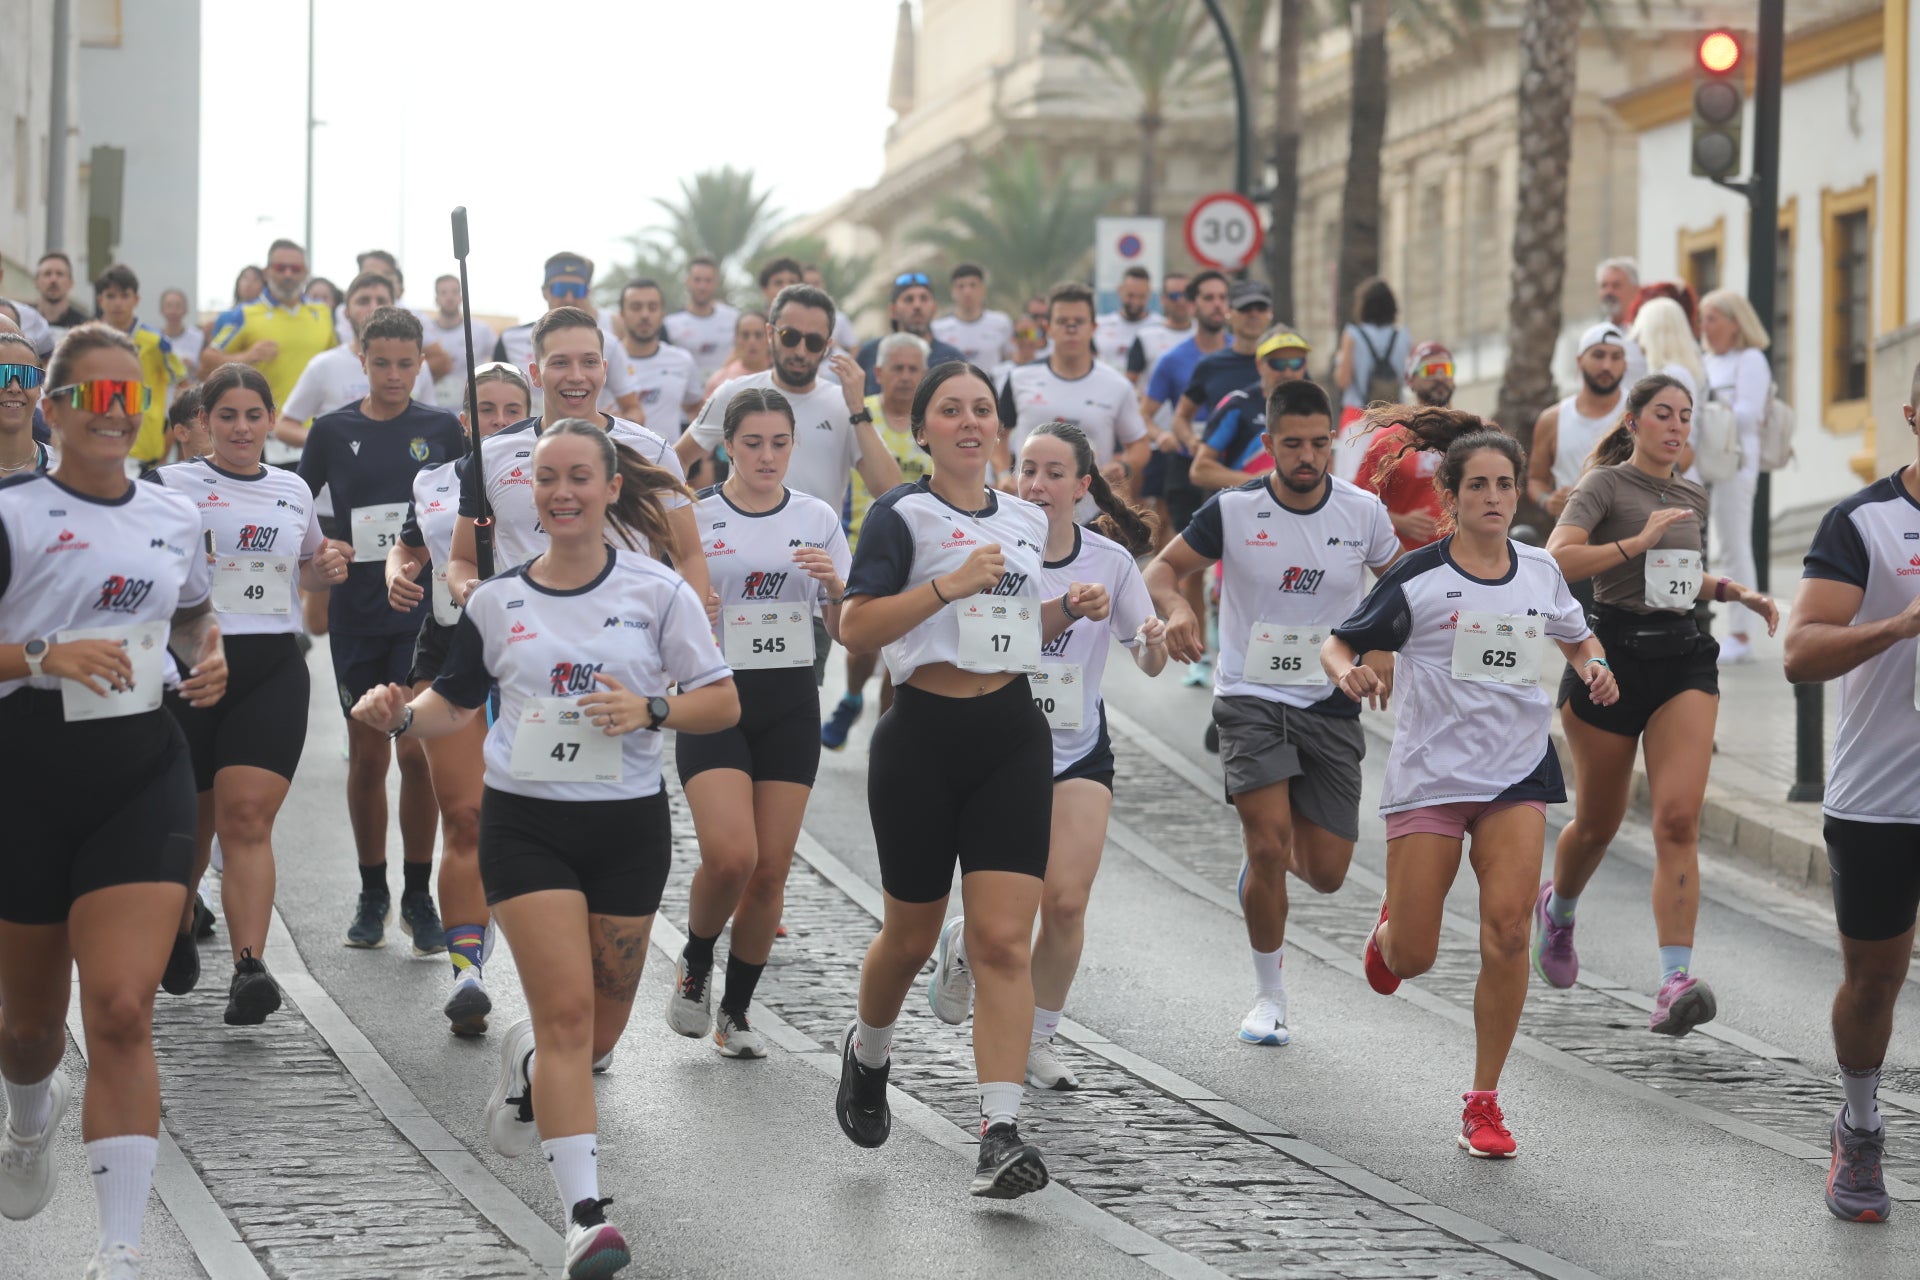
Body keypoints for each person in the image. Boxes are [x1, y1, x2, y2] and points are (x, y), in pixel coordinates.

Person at [351, 420, 738, 1278]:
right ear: (526, 492)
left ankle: (525, 1059)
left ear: (606, 490)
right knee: (567, 1017)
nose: (560, 492)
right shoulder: (495, 602)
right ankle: (584, 1216)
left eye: (577, 478)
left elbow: (721, 702)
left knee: (598, 1026)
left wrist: (653, 711)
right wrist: (400, 719)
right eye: (545, 479)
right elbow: (453, 703)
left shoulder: (658, 591)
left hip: (627, 828)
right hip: (526, 826)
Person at [832, 361, 1110, 1199]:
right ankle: (867, 1051)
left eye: (981, 410)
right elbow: (856, 625)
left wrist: (1069, 610)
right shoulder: (900, 512)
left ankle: (999, 1131)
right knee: (912, 939)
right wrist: (946, 584)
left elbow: (1012, 625)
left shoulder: (1026, 515)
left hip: (1011, 736)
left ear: (998, 427)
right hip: (921, 736)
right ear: (922, 432)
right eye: (949, 411)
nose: (968, 422)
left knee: (997, 941)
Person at [1321, 406, 1618, 1158]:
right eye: (1478, 485)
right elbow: (1341, 640)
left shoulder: (1542, 570)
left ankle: (1483, 1102)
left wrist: (1593, 665)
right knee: (1414, 958)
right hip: (1431, 776)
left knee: (1510, 929)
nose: (1493, 496)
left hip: (1516, 773)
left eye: (1505, 484)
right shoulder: (1419, 576)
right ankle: (1391, 931)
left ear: (1519, 495)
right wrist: (1349, 671)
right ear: (1451, 498)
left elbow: (1575, 631)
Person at [0, 323, 226, 1279]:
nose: (114, 410)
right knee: (25, 1025)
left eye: (128, 394)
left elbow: (194, 610)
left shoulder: (172, 514)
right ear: (53, 409)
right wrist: (44, 655)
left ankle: (120, 1249)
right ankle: (27, 1117)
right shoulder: (13, 514)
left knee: (125, 1008)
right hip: (25, 774)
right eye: (92, 395)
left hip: (141, 767)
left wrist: (209, 655)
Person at [1145, 379, 1400, 1046]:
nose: (1308, 457)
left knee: (1325, 871)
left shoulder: (1363, 512)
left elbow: (1405, 592)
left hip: (1329, 699)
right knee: (1266, 843)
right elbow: (1162, 573)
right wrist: (1178, 612)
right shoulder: (1232, 510)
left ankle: (1266, 869)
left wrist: (1384, 657)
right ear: (1268, 446)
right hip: (1249, 695)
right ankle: (1270, 998)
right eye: (1293, 445)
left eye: (1320, 444)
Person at [1534, 374, 1777, 1036]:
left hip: (1683, 656)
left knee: (1676, 821)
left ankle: (1674, 981)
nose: (1675, 426)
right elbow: (1558, 560)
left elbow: (1675, 578)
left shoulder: (1691, 493)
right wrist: (1634, 544)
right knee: (1598, 824)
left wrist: (1732, 590)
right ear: (1634, 422)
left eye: (1684, 417)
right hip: (1610, 657)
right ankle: (1557, 910)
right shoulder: (1605, 487)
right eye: (1663, 414)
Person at [928, 422, 1165, 1090]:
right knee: (1008, 911)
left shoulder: (1111, 563)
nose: (1038, 484)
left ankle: (1038, 1038)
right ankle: (964, 941)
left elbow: (1146, 660)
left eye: (1055, 472)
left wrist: (1154, 640)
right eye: (1029, 469)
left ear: (1083, 488)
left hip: (1077, 749)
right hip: (997, 745)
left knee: (1064, 905)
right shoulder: (989, 549)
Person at [153, 363, 347, 1023]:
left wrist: (327, 568)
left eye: (253, 415)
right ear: (203, 423)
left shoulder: (291, 488)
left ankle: (248, 968)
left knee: (246, 820)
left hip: (271, 670)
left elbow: (314, 568)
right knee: (193, 822)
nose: (241, 428)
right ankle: (178, 924)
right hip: (193, 670)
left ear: (270, 421)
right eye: (226, 416)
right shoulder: (169, 485)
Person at [667, 389, 850, 1057]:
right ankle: (694, 960)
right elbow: (661, 611)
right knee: (730, 855)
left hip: (790, 701)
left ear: (793, 446)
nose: (766, 456)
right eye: (752, 444)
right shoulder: (695, 515)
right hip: (715, 696)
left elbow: (847, 628)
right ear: (727, 447)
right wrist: (695, 610)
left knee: (770, 869)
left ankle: (735, 1013)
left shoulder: (818, 517)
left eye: (778, 443)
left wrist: (835, 586)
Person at [1783, 368, 1920, 1223]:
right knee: (1874, 982)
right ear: (1913, 415)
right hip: (1881, 797)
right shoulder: (1863, 523)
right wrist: (1902, 624)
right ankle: (1860, 1126)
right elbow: (1800, 651)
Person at [297, 307, 466, 953]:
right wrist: (324, 553)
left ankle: (418, 894)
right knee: (368, 754)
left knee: (414, 752)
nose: (394, 375)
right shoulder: (331, 431)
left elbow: (472, 507)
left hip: (423, 618)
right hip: (357, 616)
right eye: (381, 363)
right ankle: (373, 890)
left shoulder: (442, 429)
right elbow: (295, 509)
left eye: (405, 363)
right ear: (360, 361)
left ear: (421, 362)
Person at [384, 362, 531, 1036]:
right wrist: (397, 575)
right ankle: (466, 971)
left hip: (535, 652)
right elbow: (409, 546)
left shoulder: (552, 472)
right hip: (448, 647)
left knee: (533, 820)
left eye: (512, 409)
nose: (500, 422)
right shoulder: (435, 480)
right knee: (465, 814)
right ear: (466, 418)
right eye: (487, 411)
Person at [677, 285, 901, 684]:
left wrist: (857, 409)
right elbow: (676, 463)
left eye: (813, 341)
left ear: (828, 347)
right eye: (789, 336)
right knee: (720, 714)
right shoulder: (734, 394)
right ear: (770, 333)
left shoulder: (841, 404)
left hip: (806, 597)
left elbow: (890, 490)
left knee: (788, 716)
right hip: (731, 591)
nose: (800, 349)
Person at [453, 307, 707, 607]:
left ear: (604, 368)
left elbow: (688, 556)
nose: (576, 377)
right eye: (560, 363)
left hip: (625, 640)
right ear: (535, 374)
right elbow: (461, 559)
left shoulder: (652, 451)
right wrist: (471, 593)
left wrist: (685, 627)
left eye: (588, 362)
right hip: (525, 640)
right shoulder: (491, 455)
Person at [823, 332, 932, 750]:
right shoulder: (857, 414)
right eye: (897, 369)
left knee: (903, 655)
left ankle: (886, 739)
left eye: (913, 369)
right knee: (865, 642)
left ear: (924, 374)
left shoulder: (935, 420)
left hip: (923, 551)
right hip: (859, 546)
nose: (905, 378)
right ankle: (851, 699)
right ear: (880, 373)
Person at [1163, 279, 1272, 685]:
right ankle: (1203, 655)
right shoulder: (1212, 365)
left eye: (1260, 308)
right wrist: (1191, 440)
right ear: (1232, 315)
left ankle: (1243, 663)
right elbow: (1180, 414)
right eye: (1245, 309)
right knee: (1204, 574)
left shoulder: (1283, 362)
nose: (1253, 315)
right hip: (1221, 487)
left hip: (1277, 499)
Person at [993, 281, 1148, 495]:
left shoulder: (1117, 385)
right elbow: (996, 433)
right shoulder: (1020, 378)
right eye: (1063, 321)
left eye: (1079, 321)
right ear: (1048, 328)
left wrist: (1124, 466)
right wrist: (1002, 474)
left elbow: (1140, 445)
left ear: (1093, 328)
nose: (1071, 328)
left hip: (1091, 510)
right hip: (1029, 508)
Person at [276, 270, 436, 464]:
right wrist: (334, 441)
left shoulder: (418, 366)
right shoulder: (323, 366)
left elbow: (431, 428)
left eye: (381, 300)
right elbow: (283, 426)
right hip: (335, 492)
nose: (373, 307)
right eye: (363, 301)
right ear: (346, 311)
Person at [1699, 289, 1774, 663]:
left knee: (1733, 545)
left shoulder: (1751, 360)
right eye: (1703, 319)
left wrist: (1707, 409)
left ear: (1734, 322)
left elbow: (1749, 414)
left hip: (1736, 463)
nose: (1705, 327)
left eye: (1712, 318)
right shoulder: (1707, 360)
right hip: (1705, 460)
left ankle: (1742, 633)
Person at [492, 253, 641, 420]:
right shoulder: (510, 339)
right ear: (545, 291)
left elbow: (634, 410)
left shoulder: (609, 344)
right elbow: (492, 397)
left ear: (587, 293)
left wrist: (615, 426)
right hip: (531, 441)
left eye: (577, 290)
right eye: (560, 289)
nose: (569, 298)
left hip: (592, 441)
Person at [1357, 343, 1454, 552]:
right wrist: (1397, 521)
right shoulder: (1388, 439)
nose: (1439, 377)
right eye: (1429, 370)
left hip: (1465, 560)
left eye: (1445, 370)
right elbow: (1358, 503)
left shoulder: (1472, 432)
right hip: (1407, 562)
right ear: (1410, 380)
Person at [1528, 323, 1628, 527]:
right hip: (1573, 540)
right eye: (1598, 355)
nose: (1607, 366)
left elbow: (1680, 457)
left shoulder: (1640, 412)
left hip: (1630, 536)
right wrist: (1548, 501)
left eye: (1615, 357)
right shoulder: (1552, 419)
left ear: (1625, 364)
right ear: (1580, 361)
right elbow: (1536, 480)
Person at [1189, 328, 1312, 492]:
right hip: (1246, 506)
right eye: (1278, 364)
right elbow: (1200, 470)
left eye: (1296, 363)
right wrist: (1261, 483)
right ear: (1260, 365)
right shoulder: (1238, 404)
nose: (1288, 372)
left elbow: (1325, 465)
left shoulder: (1314, 406)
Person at [93, 266, 188, 470]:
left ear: (136, 299)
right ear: (100, 300)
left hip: (145, 453)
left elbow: (184, 386)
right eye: (110, 296)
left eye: (124, 296)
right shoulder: (87, 341)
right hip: (97, 449)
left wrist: (170, 435)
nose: (118, 303)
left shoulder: (157, 342)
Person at [855, 271, 964, 395]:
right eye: (909, 299)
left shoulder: (953, 359)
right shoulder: (870, 353)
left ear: (934, 308)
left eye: (924, 298)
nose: (917, 305)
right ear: (893, 310)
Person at [615, 279, 702, 433]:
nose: (645, 315)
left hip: (667, 456)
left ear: (662, 314)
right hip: (614, 457)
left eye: (652, 307)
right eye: (636, 307)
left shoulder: (682, 360)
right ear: (622, 314)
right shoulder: (602, 361)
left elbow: (695, 408)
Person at [1333, 277, 1411, 427]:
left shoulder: (1352, 335)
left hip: (1357, 416)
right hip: (1396, 417)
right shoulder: (1403, 336)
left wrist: (1338, 361)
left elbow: (1343, 380)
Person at [421, 274, 497, 411]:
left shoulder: (481, 330)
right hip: (433, 409)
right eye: (443, 292)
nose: (449, 297)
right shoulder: (425, 332)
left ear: (461, 297)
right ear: (436, 299)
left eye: (454, 292)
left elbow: (499, 361)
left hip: (471, 410)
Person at [665, 256, 741, 385]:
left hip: (728, 394)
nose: (702, 286)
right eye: (697, 280)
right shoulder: (670, 324)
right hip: (687, 398)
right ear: (687, 281)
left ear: (716, 283)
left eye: (708, 281)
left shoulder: (734, 318)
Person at [932, 263, 1013, 367]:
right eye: (961, 286)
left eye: (973, 285)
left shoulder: (1002, 323)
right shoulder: (938, 328)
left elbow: (1010, 359)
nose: (967, 292)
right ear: (952, 291)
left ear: (983, 289)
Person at [0, 333, 53, 476]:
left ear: (39, 389)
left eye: (27, 376)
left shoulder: (68, 470)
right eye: (2, 374)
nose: (15, 388)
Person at [1094, 266, 1163, 373]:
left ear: (1149, 294)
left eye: (1141, 296)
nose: (1135, 302)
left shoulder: (1160, 327)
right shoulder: (1100, 326)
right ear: (1120, 291)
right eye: (1130, 295)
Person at [1595, 257, 1651, 388]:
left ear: (1636, 290)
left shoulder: (1648, 333)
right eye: (1604, 286)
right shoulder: (1596, 334)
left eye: (1616, 286)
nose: (1609, 292)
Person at [701, 310, 770, 399]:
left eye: (758, 335)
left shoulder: (783, 379)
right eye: (745, 335)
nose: (752, 341)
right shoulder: (720, 383)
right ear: (736, 339)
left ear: (769, 338)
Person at [802, 265, 859, 353]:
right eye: (807, 284)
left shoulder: (839, 319)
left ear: (823, 284)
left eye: (816, 283)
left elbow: (854, 348)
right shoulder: (793, 320)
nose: (812, 288)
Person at [33, 252, 90, 332]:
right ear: (36, 282)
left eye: (59, 274)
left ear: (71, 283)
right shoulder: (23, 319)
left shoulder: (83, 326)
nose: (53, 279)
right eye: (47, 274)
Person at [158, 289, 205, 377]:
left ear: (185, 310)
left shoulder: (198, 337)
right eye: (169, 306)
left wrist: (192, 367)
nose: (173, 311)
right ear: (162, 309)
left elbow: (205, 371)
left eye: (178, 306)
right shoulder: (155, 338)